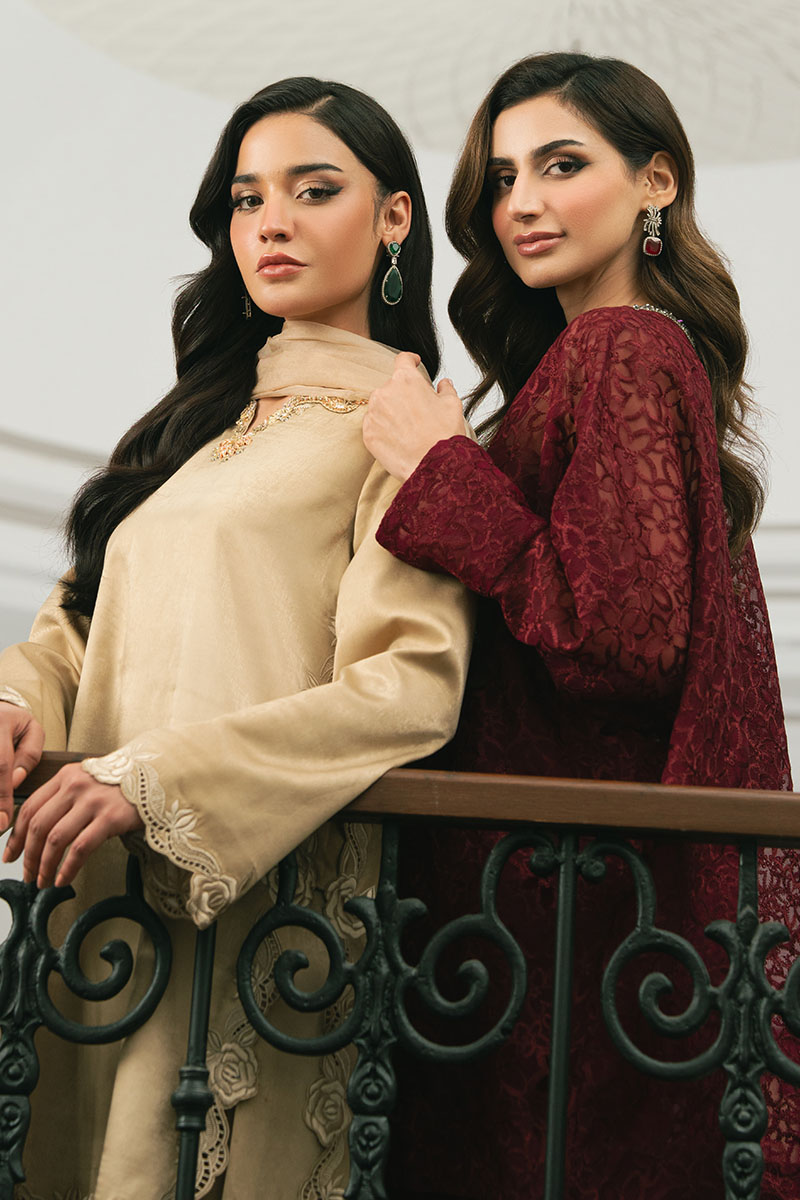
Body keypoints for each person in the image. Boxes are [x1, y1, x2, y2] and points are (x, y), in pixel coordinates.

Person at [0, 77, 473, 1200]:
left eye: (314, 190)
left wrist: (161, 781)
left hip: (253, 909)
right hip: (97, 897)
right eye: (248, 198)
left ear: (394, 216)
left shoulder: (404, 432)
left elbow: (410, 683)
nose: (272, 222)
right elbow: (74, 628)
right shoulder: (189, 428)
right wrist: (17, 703)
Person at [362, 52, 795, 1199]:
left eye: (561, 165)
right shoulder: (589, 359)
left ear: (654, 182)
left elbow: (622, 642)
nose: (523, 201)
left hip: (572, 926)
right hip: (560, 921)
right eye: (503, 177)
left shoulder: (622, 347)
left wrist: (441, 472)